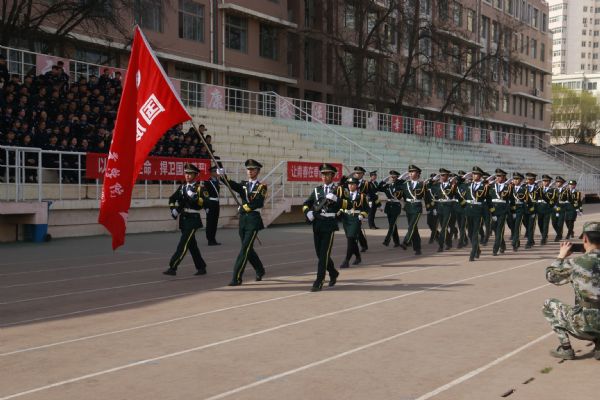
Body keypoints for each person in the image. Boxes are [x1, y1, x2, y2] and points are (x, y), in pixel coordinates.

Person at [542, 221, 600, 360]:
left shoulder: (576, 263)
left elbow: (551, 276)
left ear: (585, 239)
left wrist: (561, 256)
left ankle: (566, 349)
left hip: (585, 324)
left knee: (548, 305)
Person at [218, 159, 266, 286]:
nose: (250, 171)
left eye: (252, 169)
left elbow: (258, 202)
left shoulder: (261, 186)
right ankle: (260, 269)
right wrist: (222, 176)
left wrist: (243, 208)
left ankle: (236, 277)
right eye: (248, 169)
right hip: (243, 220)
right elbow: (232, 185)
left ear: (258, 171)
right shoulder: (243, 185)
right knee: (248, 249)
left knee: (244, 249)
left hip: (254, 220)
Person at [163, 163, 208, 276]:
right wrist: (173, 209)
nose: (187, 175)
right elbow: (172, 198)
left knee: (183, 244)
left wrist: (194, 197)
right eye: (186, 173)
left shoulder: (200, 188)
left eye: (190, 174)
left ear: (195, 175)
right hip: (183, 219)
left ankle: (173, 267)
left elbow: (206, 203)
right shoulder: (182, 187)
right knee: (192, 245)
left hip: (193, 219)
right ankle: (201, 267)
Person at [303, 163, 342, 292]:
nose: (324, 177)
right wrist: (308, 212)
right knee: (319, 254)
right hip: (317, 224)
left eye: (327, 174)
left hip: (329, 224)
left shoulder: (339, 190)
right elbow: (306, 203)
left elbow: (348, 204)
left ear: (333, 175)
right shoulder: (317, 190)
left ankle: (319, 281)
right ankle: (333, 272)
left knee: (324, 254)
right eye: (323, 174)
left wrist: (336, 199)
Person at [458, 166, 489, 262]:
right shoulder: (468, 185)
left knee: (475, 233)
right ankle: (477, 249)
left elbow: (487, 199)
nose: (475, 176)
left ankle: (473, 253)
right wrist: (463, 177)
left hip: (478, 211)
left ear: (480, 175)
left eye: (477, 174)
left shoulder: (484, 186)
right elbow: (457, 185)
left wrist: (489, 213)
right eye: (473, 174)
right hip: (468, 210)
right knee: (470, 234)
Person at [339, 177, 369, 268]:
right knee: (351, 239)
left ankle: (346, 260)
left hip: (356, 218)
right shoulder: (345, 195)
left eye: (352, 184)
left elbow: (367, 209)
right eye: (349, 184)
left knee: (351, 238)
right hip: (346, 219)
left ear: (356, 185)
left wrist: (362, 215)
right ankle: (358, 257)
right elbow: (340, 205)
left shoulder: (362, 196)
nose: (350, 186)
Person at [399, 164, 425, 255]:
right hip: (409, 207)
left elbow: (427, 197)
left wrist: (431, 207)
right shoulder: (405, 184)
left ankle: (406, 242)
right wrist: (400, 179)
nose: (410, 173)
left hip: (417, 207)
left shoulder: (422, 184)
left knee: (412, 226)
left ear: (418, 174)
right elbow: (397, 189)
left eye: (412, 172)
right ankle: (417, 248)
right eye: (409, 172)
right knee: (414, 228)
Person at [430, 168, 456, 252]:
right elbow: (429, 188)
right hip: (440, 208)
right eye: (441, 175)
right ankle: (449, 243)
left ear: (447, 176)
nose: (441, 176)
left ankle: (440, 245)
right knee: (443, 227)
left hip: (448, 208)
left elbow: (454, 193)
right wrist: (433, 180)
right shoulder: (438, 185)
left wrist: (454, 184)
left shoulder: (452, 185)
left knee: (444, 227)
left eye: (443, 175)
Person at [487, 168, 512, 256]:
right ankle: (503, 244)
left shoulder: (508, 187)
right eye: (497, 176)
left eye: (500, 176)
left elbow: (511, 200)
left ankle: (495, 248)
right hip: (493, 210)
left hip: (503, 211)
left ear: (504, 177)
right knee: (494, 228)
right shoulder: (491, 186)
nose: (497, 178)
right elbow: (488, 199)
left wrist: (511, 211)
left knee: (499, 230)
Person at [379, 170, 403, 247]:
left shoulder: (399, 185)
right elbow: (378, 187)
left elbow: (401, 185)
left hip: (396, 206)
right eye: (391, 176)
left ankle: (387, 240)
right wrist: (384, 180)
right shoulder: (388, 186)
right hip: (389, 206)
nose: (392, 178)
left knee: (392, 225)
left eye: (394, 177)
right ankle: (397, 242)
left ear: (397, 177)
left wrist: (398, 180)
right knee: (393, 225)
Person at [510, 172, 531, 252]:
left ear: (521, 180)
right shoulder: (510, 188)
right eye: (514, 179)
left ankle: (515, 243)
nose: (515, 180)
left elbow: (528, 200)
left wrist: (530, 210)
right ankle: (517, 241)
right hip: (512, 210)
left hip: (520, 209)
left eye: (517, 179)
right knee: (512, 226)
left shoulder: (524, 189)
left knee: (517, 226)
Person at [535, 175, 557, 245]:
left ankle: (544, 238)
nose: (545, 182)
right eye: (544, 181)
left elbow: (554, 200)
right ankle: (543, 234)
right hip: (539, 208)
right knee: (540, 223)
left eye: (546, 181)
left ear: (549, 182)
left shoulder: (553, 190)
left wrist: (551, 206)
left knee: (545, 224)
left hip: (547, 208)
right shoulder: (538, 189)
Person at [203, 165, 221, 246]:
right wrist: (206, 207)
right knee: (210, 222)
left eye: (216, 171)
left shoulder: (217, 181)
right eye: (215, 171)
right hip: (210, 203)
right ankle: (209, 239)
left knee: (215, 222)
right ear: (211, 173)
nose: (217, 173)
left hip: (216, 203)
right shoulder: (207, 182)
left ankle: (213, 239)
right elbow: (205, 196)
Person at [524, 172, 539, 249]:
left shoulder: (538, 188)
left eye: (530, 179)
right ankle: (531, 239)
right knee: (526, 224)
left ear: (534, 180)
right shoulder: (523, 187)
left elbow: (540, 199)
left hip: (533, 208)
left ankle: (529, 242)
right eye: (527, 179)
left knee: (531, 226)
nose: (528, 180)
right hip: (524, 208)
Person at [552, 176, 569, 241]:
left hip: (562, 209)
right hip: (554, 209)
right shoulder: (553, 190)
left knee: (560, 223)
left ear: (562, 183)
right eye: (556, 182)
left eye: (559, 182)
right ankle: (559, 233)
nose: (557, 183)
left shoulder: (566, 191)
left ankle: (558, 236)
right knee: (554, 223)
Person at [425, 173, 439, 244]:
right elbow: (426, 197)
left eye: (434, 178)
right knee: (429, 223)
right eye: (432, 178)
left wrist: (436, 207)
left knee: (435, 224)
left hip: (436, 207)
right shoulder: (428, 186)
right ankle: (438, 235)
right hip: (430, 207)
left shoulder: (439, 186)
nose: (433, 180)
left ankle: (432, 238)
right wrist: (427, 207)